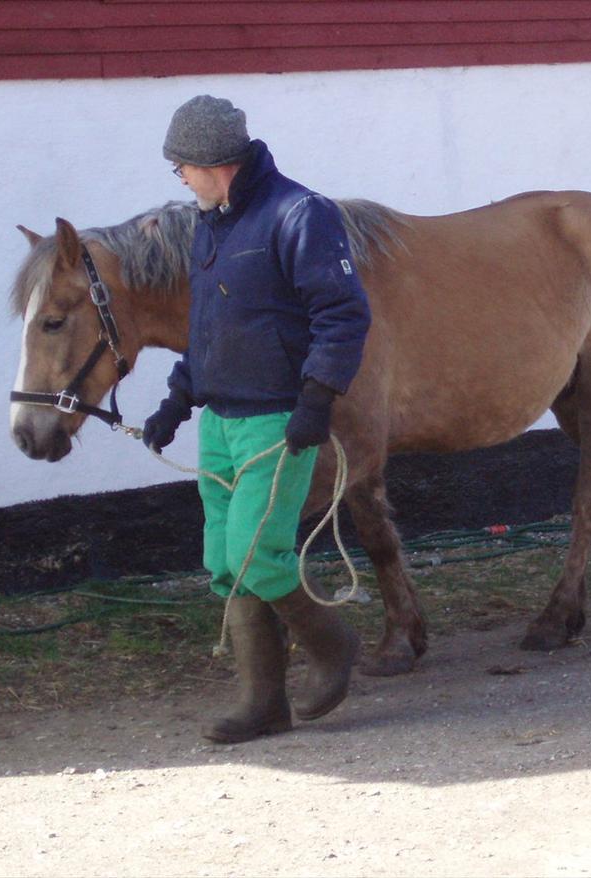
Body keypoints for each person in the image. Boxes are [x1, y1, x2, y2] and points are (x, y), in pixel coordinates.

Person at [142, 95, 371, 743]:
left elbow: (342, 314)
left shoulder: (300, 215)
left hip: (276, 419)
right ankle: (263, 703)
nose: (181, 179)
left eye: (182, 167)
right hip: (219, 420)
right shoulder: (210, 225)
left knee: (256, 553)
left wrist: (317, 400)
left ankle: (332, 643)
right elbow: (208, 326)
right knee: (224, 560)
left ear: (215, 162)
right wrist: (177, 401)